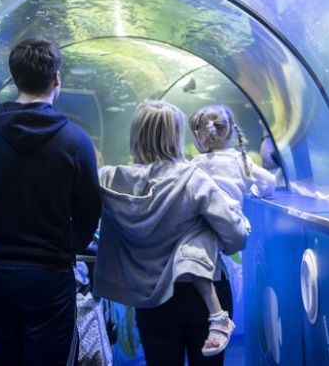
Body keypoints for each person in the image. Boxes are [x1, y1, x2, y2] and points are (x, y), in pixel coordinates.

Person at [0, 38, 102, 366]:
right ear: (56, 79)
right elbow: (88, 214)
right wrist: (66, 247)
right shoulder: (75, 140)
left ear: (14, 78)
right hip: (49, 276)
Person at [93, 100, 249, 366]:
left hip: (149, 296)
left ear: (135, 134)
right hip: (202, 297)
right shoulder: (193, 179)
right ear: (176, 135)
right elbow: (236, 237)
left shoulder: (109, 179)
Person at [188, 104, 275, 355]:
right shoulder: (239, 160)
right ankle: (219, 318)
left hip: (203, 230)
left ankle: (217, 316)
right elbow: (269, 181)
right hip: (233, 229)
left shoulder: (195, 164)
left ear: (198, 135)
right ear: (229, 132)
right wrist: (256, 192)